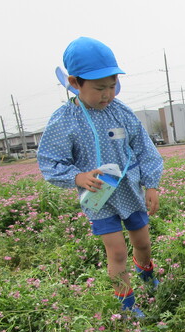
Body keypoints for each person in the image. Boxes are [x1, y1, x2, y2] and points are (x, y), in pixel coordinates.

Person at [38, 37, 163, 317]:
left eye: (112, 86)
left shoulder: (122, 112)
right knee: (117, 253)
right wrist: (77, 177)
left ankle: (148, 277)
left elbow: (145, 149)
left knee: (142, 242)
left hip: (131, 191)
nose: (107, 94)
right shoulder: (65, 120)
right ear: (74, 82)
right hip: (98, 198)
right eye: (99, 88)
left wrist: (151, 184)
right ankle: (128, 306)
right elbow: (49, 161)